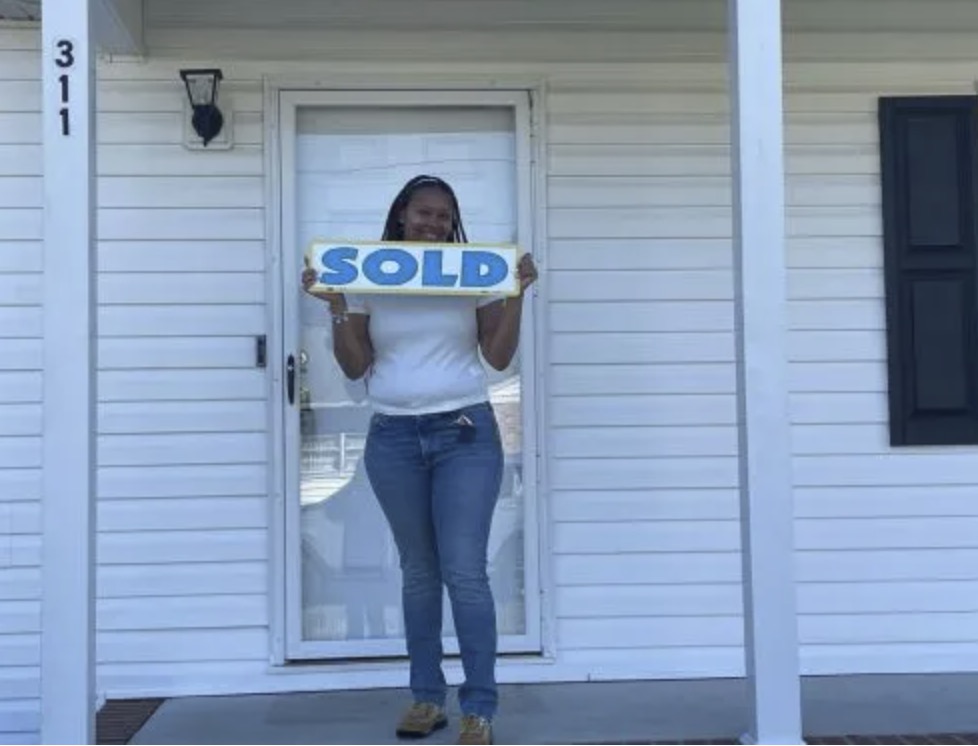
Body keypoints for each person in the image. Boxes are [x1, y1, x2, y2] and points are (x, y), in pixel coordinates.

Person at [301, 174, 538, 745]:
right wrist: (336, 306)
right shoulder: (362, 273)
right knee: (419, 574)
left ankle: (479, 707)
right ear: (402, 215)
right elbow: (356, 367)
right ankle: (426, 699)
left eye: (443, 216)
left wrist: (515, 295)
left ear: (452, 223)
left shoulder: (475, 273)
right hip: (394, 439)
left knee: (465, 572)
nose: (432, 223)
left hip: (463, 433)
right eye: (423, 212)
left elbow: (499, 357)